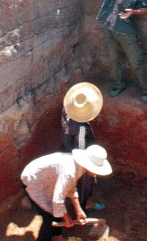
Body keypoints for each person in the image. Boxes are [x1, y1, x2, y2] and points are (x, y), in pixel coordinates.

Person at [21, 144, 112, 241]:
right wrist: (66, 218)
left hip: (46, 179)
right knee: (49, 218)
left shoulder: (79, 166)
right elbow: (58, 200)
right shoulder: (69, 172)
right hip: (33, 180)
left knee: (56, 211)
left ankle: (58, 238)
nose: (95, 173)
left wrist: (78, 210)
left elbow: (71, 187)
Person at [61, 82, 105, 212]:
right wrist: (88, 167)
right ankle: (84, 204)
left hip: (66, 146)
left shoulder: (66, 109)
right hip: (77, 156)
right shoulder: (81, 128)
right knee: (84, 182)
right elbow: (81, 151)